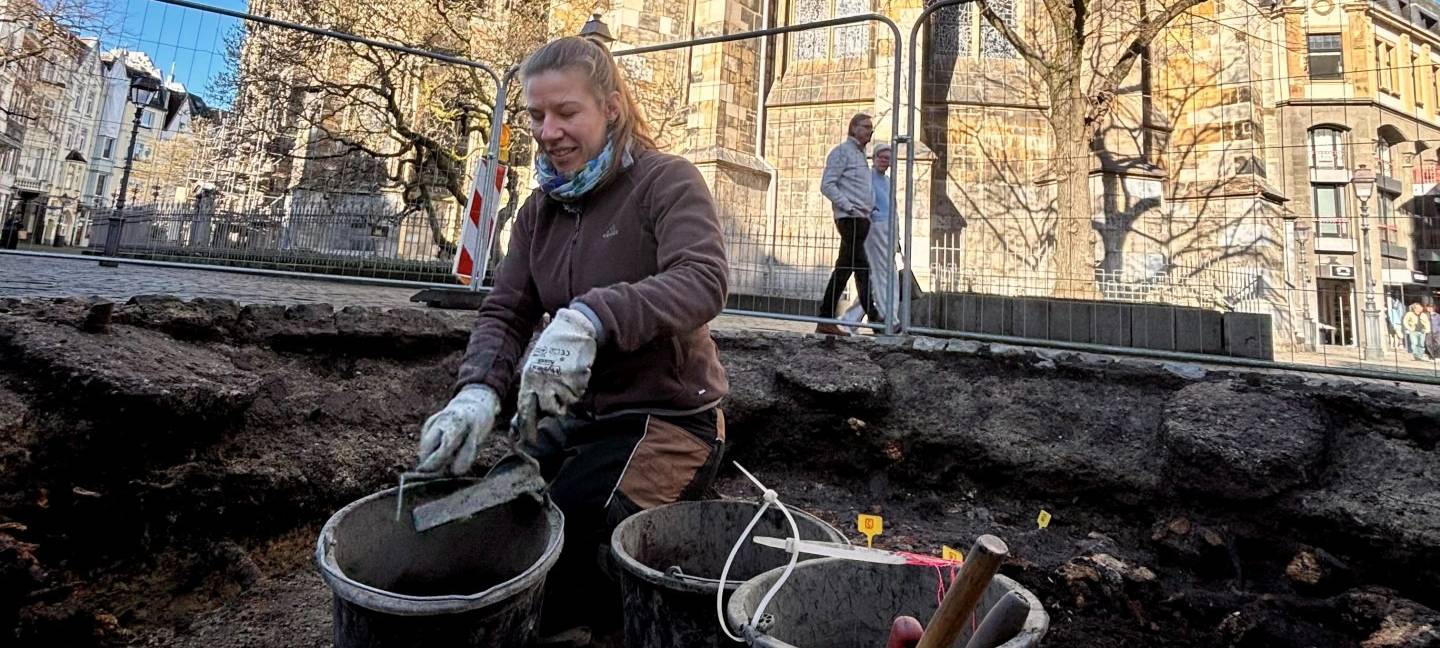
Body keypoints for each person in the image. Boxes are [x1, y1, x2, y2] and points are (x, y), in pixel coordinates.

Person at [413, 36, 729, 645]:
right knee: (498, 523)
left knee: (573, 548)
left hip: (666, 419)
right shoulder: (539, 212)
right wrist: (477, 392)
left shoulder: (665, 181)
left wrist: (591, 318)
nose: (547, 131)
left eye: (566, 112)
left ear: (610, 108)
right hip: (575, 416)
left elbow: (703, 278)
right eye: (536, 115)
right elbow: (507, 311)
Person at [815, 113, 881, 336]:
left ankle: (828, 319)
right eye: (866, 126)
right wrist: (849, 207)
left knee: (854, 269)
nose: (870, 131)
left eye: (871, 127)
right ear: (853, 128)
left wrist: (870, 207)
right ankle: (875, 320)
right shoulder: (842, 152)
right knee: (855, 269)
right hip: (850, 219)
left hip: (861, 219)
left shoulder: (860, 155)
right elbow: (827, 185)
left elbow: (861, 187)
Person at [841, 142, 895, 332]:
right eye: (881, 157)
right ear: (874, 158)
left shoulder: (888, 181)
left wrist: (895, 238)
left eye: (888, 158)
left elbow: (892, 209)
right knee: (877, 280)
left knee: (876, 282)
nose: (884, 161)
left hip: (886, 233)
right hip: (872, 232)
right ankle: (879, 321)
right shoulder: (868, 178)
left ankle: (851, 321)